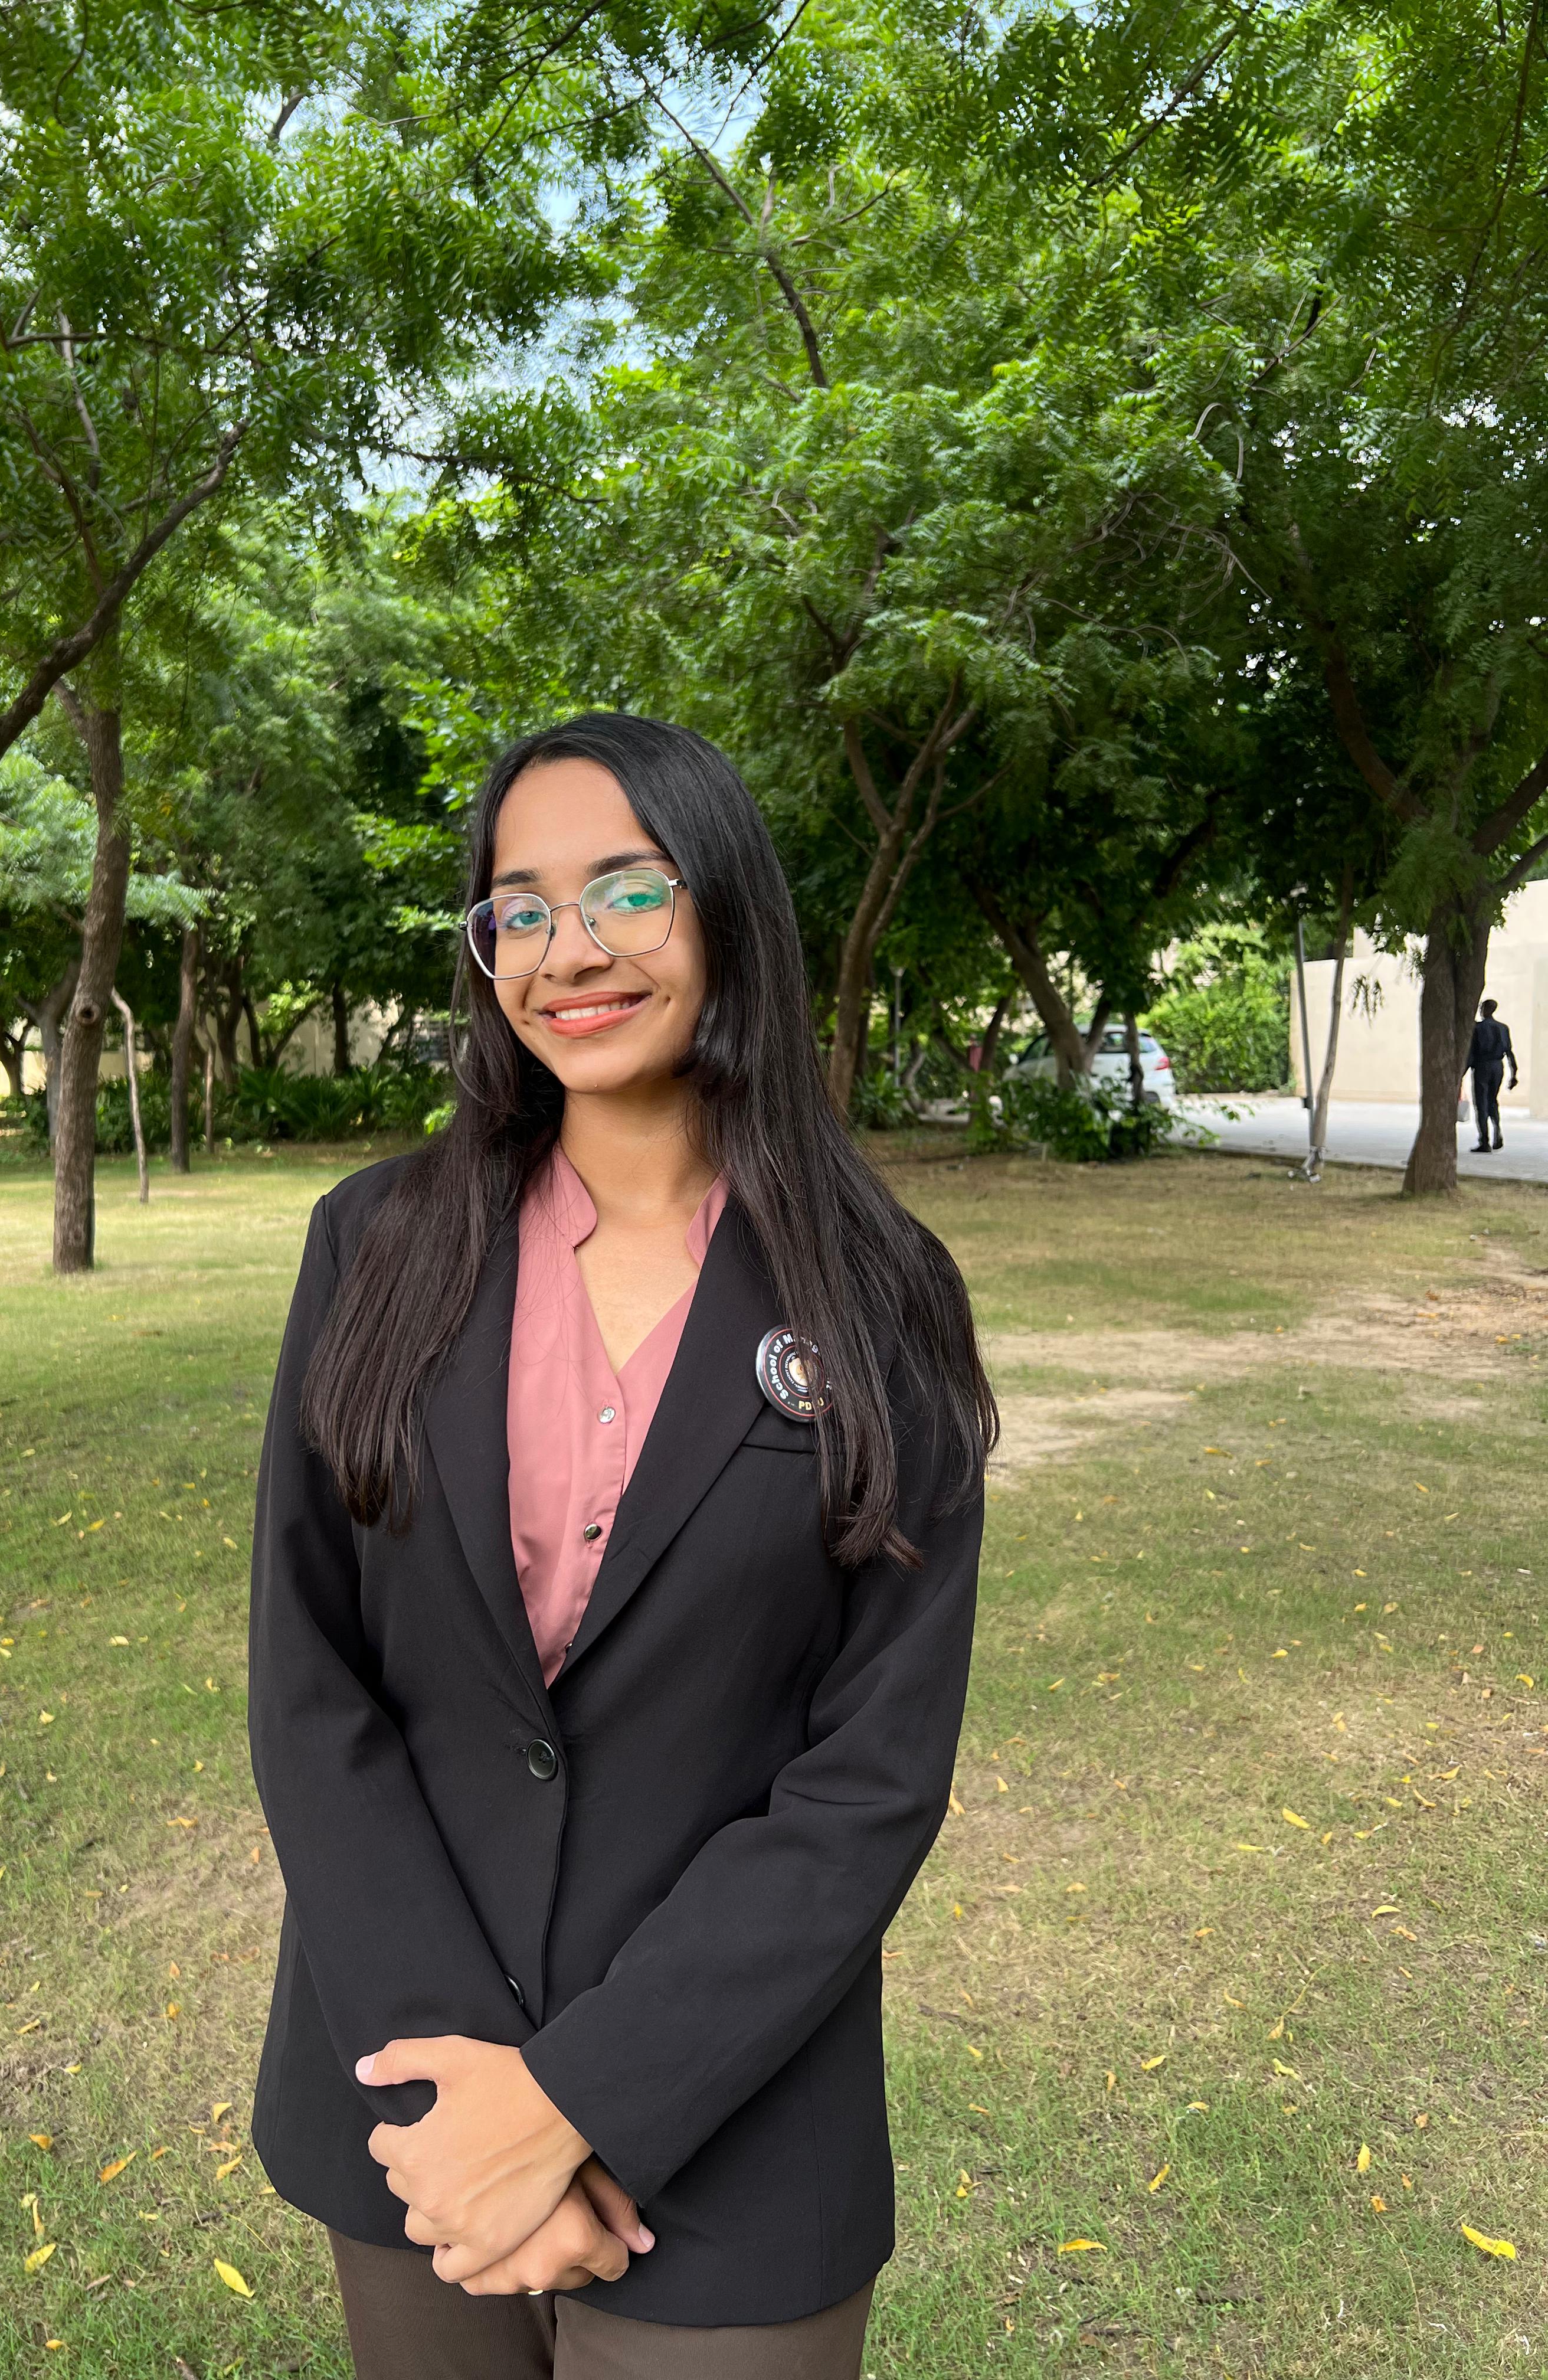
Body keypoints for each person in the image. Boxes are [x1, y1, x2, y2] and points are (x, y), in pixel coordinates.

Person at [246, 712, 994, 2380]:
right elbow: (312, 1690)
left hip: (733, 2126)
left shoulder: (881, 1294)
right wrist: (474, 2103)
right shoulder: (374, 1246)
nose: (566, 951)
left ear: (726, 908)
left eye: (626, 891)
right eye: (517, 909)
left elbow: (871, 1776)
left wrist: (586, 2101)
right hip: (413, 2106)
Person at [1465, 997, 1520, 1152]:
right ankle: (1497, 1132)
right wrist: (1514, 1074)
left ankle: (1485, 1141)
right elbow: (1509, 1052)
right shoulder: (1503, 1028)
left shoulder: (1477, 1028)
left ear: (1485, 1009)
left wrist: (1462, 1073)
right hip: (1498, 1067)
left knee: (1481, 1104)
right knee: (1492, 1101)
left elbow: (1471, 1053)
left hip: (1482, 1066)